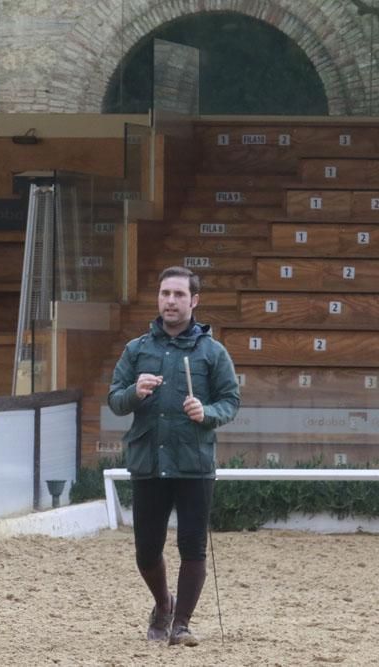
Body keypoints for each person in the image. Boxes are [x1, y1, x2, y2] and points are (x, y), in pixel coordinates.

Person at [107, 266, 240, 647]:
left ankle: (181, 624)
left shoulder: (212, 352)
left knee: (193, 546)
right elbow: (115, 400)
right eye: (165, 293)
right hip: (147, 461)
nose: (170, 301)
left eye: (179, 295)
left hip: (193, 463)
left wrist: (207, 413)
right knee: (147, 550)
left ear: (194, 301)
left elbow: (231, 400)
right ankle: (163, 605)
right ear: (158, 298)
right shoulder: (137, 350)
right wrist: (135, 391)